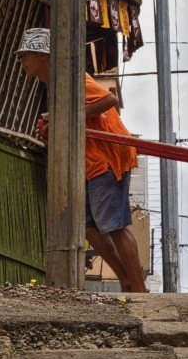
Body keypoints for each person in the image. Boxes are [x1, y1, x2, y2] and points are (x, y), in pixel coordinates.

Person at [16, 28, 146, 292]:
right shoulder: (55, 86)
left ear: (42, 56)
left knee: (115, 226)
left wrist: (63, 116)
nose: (21, 61)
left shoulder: (72, 79)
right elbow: (75, 122)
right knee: (89, 227)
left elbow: (109, 99)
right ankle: (126, 281)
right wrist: (52, 128)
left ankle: (139, 289)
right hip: (90, 163)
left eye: (25, 55)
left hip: (107, 156)